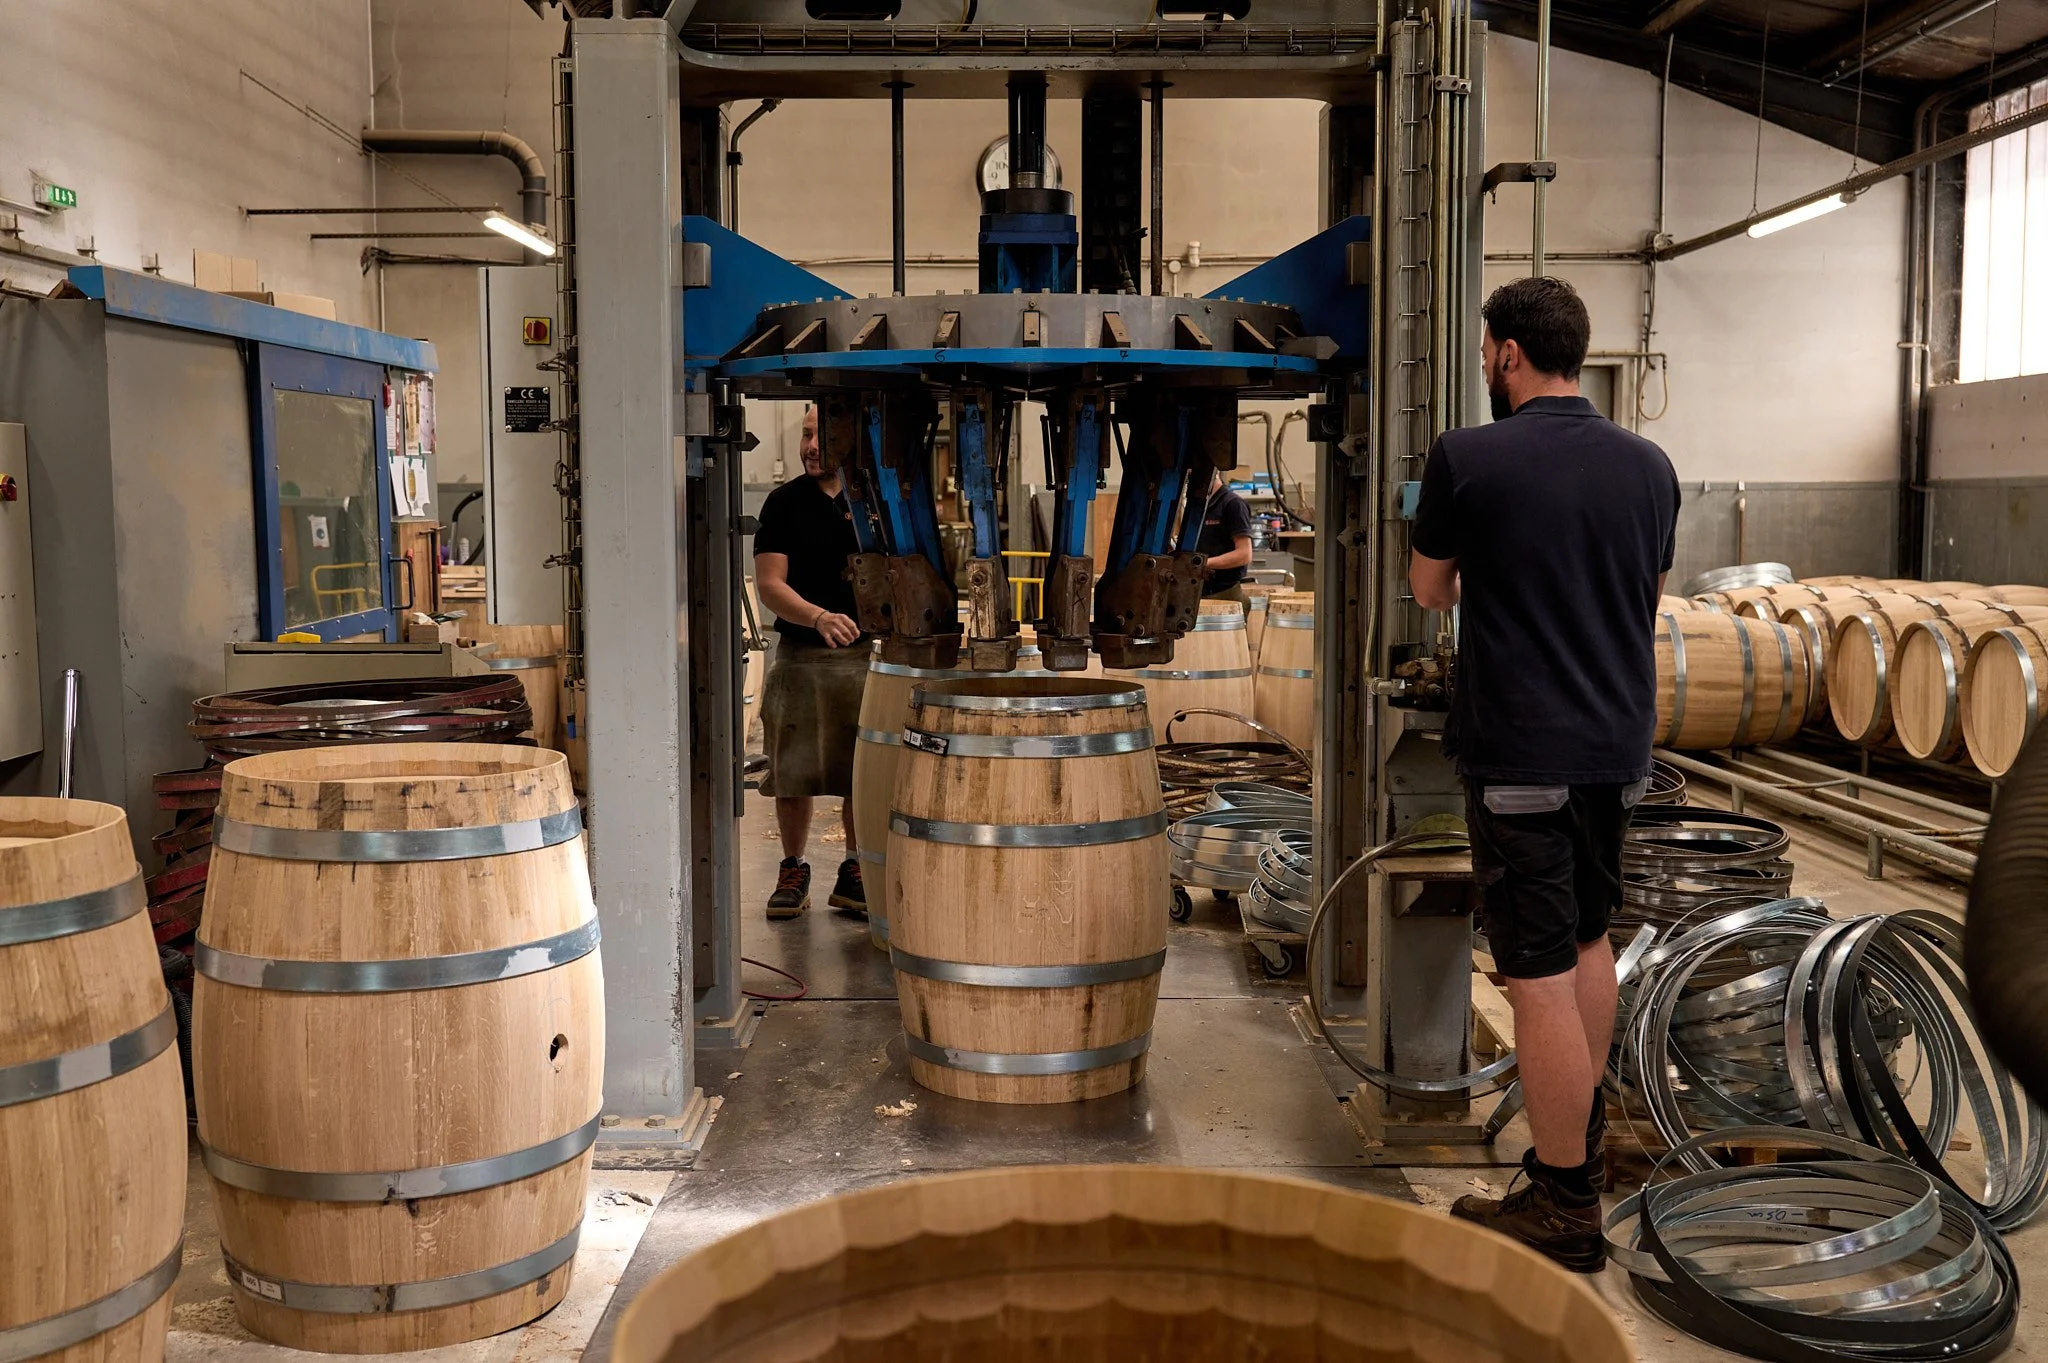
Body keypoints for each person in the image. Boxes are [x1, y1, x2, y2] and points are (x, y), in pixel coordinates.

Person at [1409, 276, 1680, 1272]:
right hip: (1615, 749)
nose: (1485, 363)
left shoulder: (1466, 457)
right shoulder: (1648, 465)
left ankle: (1563, 1202)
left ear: (1507, 353)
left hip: (1522, 751)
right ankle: (1578, 1150)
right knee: (1585, 941)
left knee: (1532, 979)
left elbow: (1428, 586)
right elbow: (1643, 594)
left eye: (1487, 350)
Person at [752, 404, 871, 921]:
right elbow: (770, 584)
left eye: (821, 434)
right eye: (805, 435)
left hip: (866, 658)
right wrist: (818, 616)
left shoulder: (875, 501)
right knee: (792, 771)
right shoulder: (783, 503)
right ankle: (793, 867)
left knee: (859, 771)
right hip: (800, 658)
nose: (811, 446)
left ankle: (854, 869)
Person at [1195, 468, 1255, 601]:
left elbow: (1244, 555)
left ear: (1214, 473)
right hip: (1199, 591)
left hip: (1225, 594)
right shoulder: (1199, 506)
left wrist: (1204, 563)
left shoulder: (1233, 504)